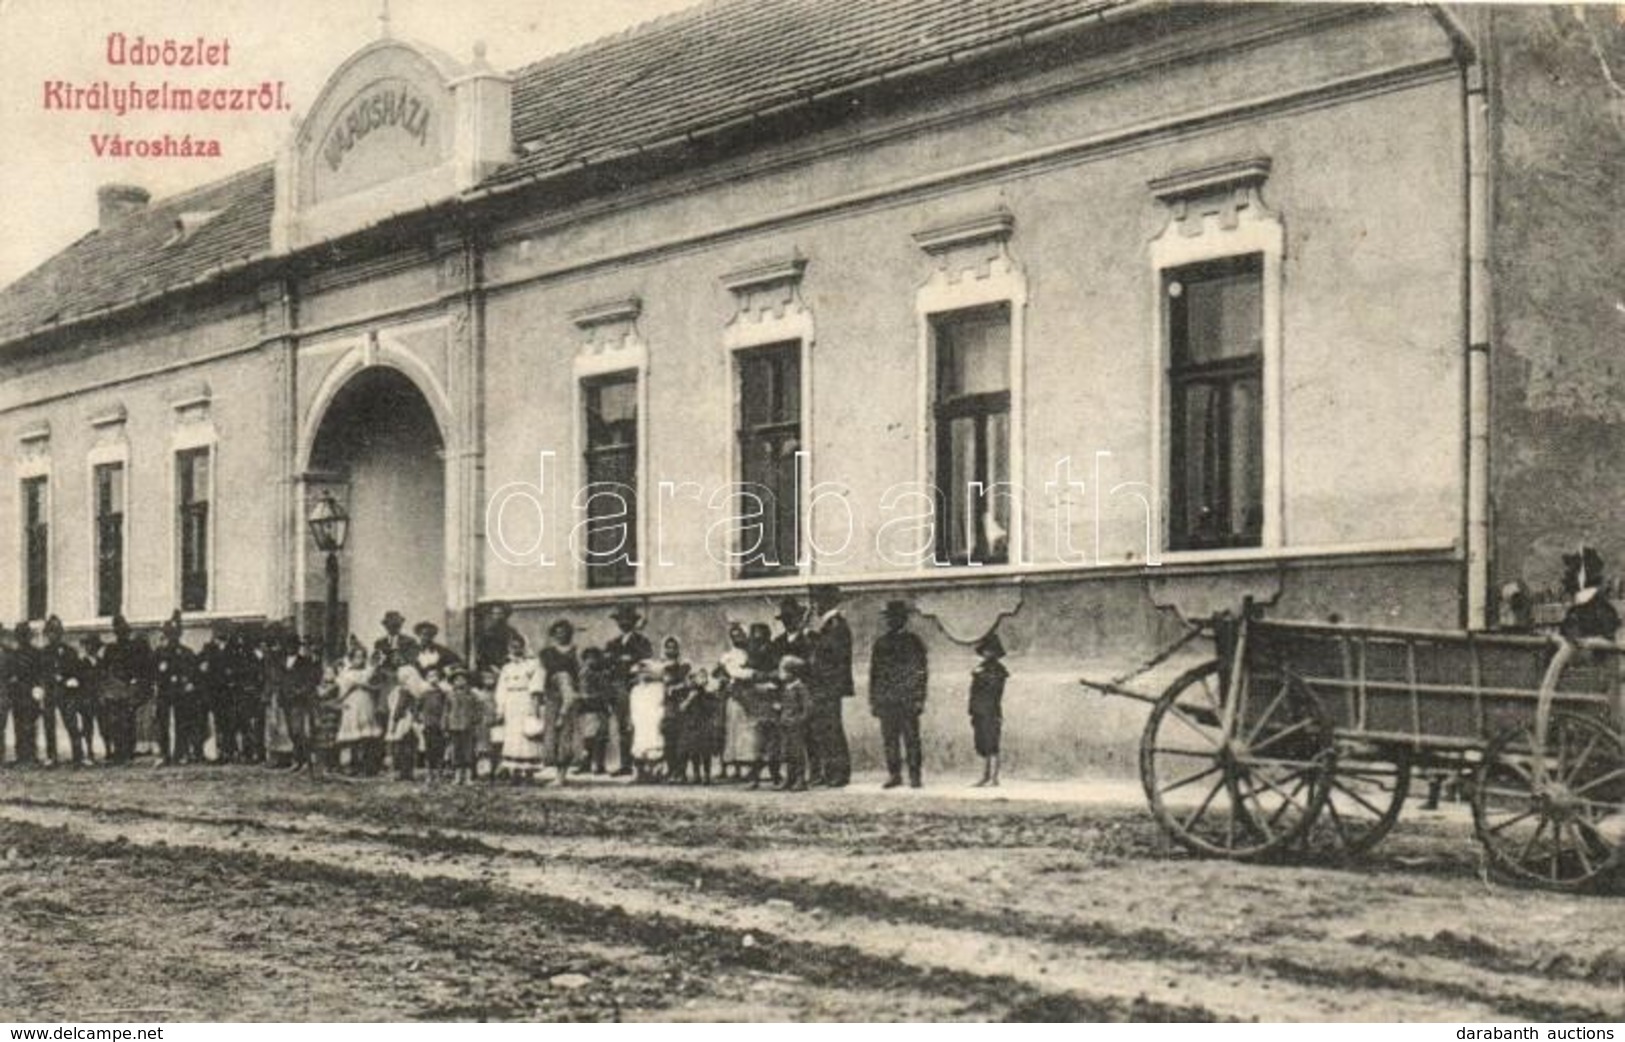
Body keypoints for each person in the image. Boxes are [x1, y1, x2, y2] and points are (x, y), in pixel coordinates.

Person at [869, 600, 928, 789]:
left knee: (911, 738)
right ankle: (894, 774)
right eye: (889, 618)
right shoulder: (881, 643)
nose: (891, 621)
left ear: (903, 619)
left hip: (907, 699)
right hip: (887, 699)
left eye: (895, 618)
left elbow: (920, 671)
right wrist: (874, 700)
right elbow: (875, 673)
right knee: (890, 739)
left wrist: (919, 697)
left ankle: (914, 774)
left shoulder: (913, 642)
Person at [807, 586, 854, 787]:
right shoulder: (830, 625)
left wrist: (813, 639)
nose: (813, 606)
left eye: (816, 601)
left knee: (831, 729)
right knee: (824, 729)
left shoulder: (835, 625)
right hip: (825, 685)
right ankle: (831, 772)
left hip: (829, 685)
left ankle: (839, 773)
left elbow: (833, 655)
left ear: (825, 602)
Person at [604, 604, 653, 775]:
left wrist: (632, 666)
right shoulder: (612, 644)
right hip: (619, 688)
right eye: (620, 621)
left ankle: (639, 763)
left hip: (636, 688)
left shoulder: (642, 642)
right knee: (622, 726)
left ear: (633, 622)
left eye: (627, 620)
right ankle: (625, 763)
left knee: (637, 724)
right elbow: (607, 667)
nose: (623, 623)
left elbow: (645, 664)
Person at [496, 632, 547, 783]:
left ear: (524, 647)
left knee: (528, 734)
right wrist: (501, 707)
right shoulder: (506, 667)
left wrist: (535, 706)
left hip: (526, 700)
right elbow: (501, 688)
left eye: (519, 646)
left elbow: (537, 685)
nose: (515, 649)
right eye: (512, 646)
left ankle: (529, 773)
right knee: (512, 736)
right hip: (511, 702)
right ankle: (515, 772)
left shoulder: (534, 664)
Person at [151, 612, 198, 766]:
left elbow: (192, 673)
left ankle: (181, 752)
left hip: (181, 693)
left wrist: (188, 682)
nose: (172, 638)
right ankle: (164, 754)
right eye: (170, 634)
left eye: (175, 634)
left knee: (182, 722)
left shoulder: (186, 653)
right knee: (162, 723)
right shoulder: (159, 653)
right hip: (164, 692)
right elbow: (153, 672)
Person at [40, 617, 88, 766]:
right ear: (46, 634)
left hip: (66, 693)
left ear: (61, 634)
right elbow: (39, 672)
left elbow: (77, 672)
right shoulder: (43, 653)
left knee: (71, 723)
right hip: (49, 691)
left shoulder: (69, 652)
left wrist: (70, 680)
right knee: (49, 723)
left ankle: (78, 755)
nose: (53, 635)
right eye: (50, 632)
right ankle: (51, 756)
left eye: (56, 632)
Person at [538, 620, 581, 786]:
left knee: (565, 734)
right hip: (551, 696)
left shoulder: (574, 652)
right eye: (557, 631)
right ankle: (556, 772)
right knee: (551, 734)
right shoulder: (547, 653)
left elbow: (577, 675)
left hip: (567, 696)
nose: (560, 634)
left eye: (564, 631)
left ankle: (562, 775)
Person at [335, 639, 384, 776]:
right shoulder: (345, 673)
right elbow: (343, 689)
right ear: (351, 658)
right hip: (352, 702)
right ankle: (352, 764)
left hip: (365, 702)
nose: (360, 660)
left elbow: (375, 686)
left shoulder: (368, 671)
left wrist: (366, 685)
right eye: (357, 657)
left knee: (366, 734)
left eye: (362, 656)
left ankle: (366, 766)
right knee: (353, 735)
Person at [968, 631, 1008, 787]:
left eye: (990, 650)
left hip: (991, 710)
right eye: (985, 650)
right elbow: (973, 691)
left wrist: (980, 675)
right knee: (981, 744)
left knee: (993, 743)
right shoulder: (980, 668)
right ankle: (984, 775)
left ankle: (994, 777)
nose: (987, 653)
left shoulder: (998, 670)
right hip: (979, 710)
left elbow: (995, 687)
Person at [195, 620, 234, 763]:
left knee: (225, 723)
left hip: (225, 692)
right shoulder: (208, 649)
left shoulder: (233, 649)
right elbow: (198, 665)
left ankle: (227, 751)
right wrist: (201, 667)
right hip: (211, 693)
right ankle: (209, 752)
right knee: (209, 723)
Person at [776, 655, 814, 792]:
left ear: (792, 673)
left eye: (783, 671)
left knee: (797, 752)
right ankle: (789, 778)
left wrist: (800, 720)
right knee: (787, 752)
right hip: (785, 724)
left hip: (796, 726)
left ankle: (800, 779)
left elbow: (808, 707)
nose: (781, 674)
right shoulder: (786, 688)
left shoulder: (800, 688)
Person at [576, 647, 615, 775]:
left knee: (601, 737)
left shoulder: (603, 674)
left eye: (594, 658)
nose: (591, 661)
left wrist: (607, 702)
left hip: (600, 707)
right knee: (588, 737)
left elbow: (607, 691)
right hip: (587, 708)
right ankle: (586, 763)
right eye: (588, 658)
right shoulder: (582, 674)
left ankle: (599, 764)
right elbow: (581, 690)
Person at [386, 665, 422, 782]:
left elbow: (399, 707)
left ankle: (402, 772)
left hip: (403, 720)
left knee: (401, 746)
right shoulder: (411, 692)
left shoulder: (404, 691)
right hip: (409, 720)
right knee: (408, 746)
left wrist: (395, 721)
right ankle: (407, 772)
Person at [445, 666, 480, 785]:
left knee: (468, 751)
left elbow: (477, 710)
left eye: (463, 679)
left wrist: (475, 722)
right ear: (453, 682)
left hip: (468, 727)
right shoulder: (449, 695)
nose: (460, 682)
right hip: (454, 727)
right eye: (457, 679)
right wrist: (445, 725)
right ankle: (457, 776)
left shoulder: (472, 695)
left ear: (467, 681)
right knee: (456, 751)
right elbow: (446, 711)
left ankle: (468, 776)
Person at [418, 663, 450, 782]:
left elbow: (446, 707)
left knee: (440, 749)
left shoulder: (442, 693)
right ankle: (429, 773)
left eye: (436, 675)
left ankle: (438, 773)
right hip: (428, 724)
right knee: (429, 749)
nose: (433, 678)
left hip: (440, 725)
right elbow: (417, 708)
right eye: (430, 675)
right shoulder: (424, 694)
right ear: (426, 678)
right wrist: (420, 718)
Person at [475, 602, 522, 675]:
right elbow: (481, 655)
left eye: (500, 613)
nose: (497, 616)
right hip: (491, 670)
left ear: (505, 615)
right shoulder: (486, 634)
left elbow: (518, 649)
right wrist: (492, 667)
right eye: (494, 614)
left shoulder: (512, 632)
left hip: (509, 668)